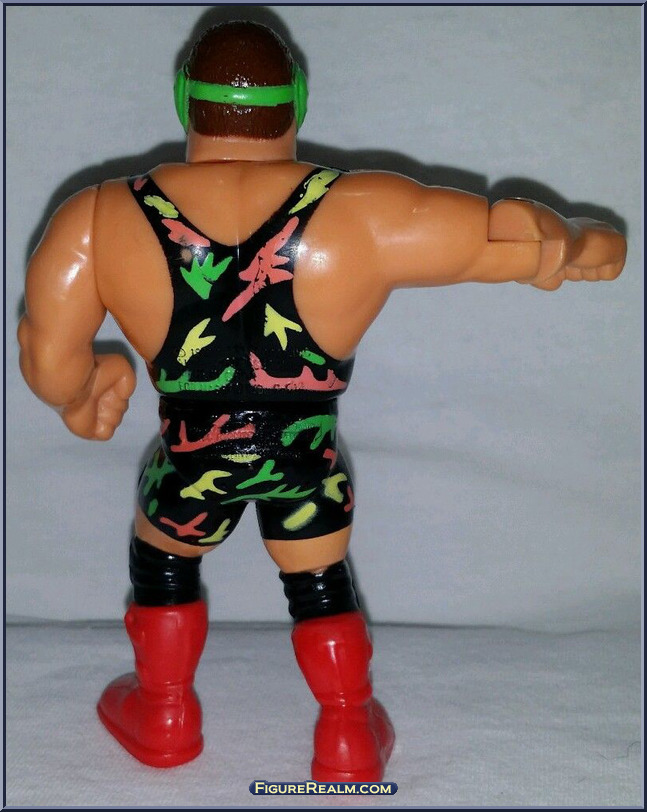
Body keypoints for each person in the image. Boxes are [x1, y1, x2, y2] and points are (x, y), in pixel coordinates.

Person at [17, 21, 626, 781]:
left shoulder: (100, 216)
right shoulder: (362, 210)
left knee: (163, 562)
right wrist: (573, 242)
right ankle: (347, 734)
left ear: (183, 102)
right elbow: (503, 238)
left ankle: (164, 713)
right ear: (298, 103)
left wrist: (86, 392)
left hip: (192, 456)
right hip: (304, 454)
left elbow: (48, 361)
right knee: (319, 583)